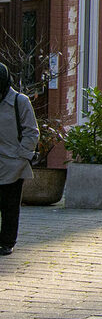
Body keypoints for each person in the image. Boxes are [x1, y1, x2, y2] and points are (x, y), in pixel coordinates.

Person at [0, 63, 38, 256]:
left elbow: (31, 132)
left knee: (9, 206)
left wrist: (22, 157)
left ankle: (7, 241)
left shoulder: (19, 101)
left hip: (13, 164)